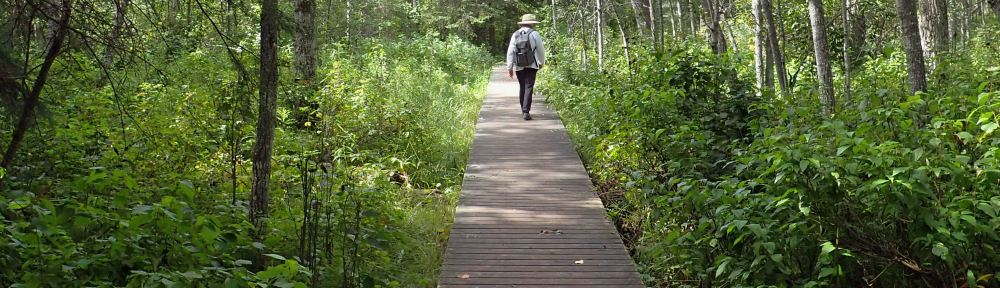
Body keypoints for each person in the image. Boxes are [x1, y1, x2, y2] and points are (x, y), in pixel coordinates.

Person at [506, 14, 546, 121]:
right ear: (532, 23)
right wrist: (541, 62)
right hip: (532, 64)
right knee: (529, 87)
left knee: (522, 86)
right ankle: (526, 111)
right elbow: (540, 50)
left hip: (519, 65)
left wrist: (509, 67)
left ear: (523, 23)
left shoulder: (515, 34)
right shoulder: (534, 34)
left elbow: (510, 51)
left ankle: (523, 109)